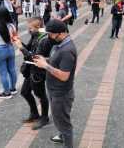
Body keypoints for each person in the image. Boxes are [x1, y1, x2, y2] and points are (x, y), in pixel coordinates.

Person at [33, 19, 77, 148]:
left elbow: (64, 76)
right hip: (54, 90)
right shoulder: (60, 44)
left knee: (63, 122)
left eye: (51, 34)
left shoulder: (67, 50)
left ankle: (68, 144)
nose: (49, 37)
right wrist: (45, 60)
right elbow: (55, 60)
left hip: (61, 93)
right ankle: (62, 136)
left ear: (60, 33)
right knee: (60, 118)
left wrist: (46, 66)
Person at [13, 17, 53, 130]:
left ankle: (44, 118)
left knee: (40, 95)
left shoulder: (44, 39)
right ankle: (35, 114)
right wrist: (20, 42)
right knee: (25, 92)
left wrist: (21, 48)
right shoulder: (36, 35)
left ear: (38, 27)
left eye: (30, 28)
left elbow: (35, 58)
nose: (28, 30)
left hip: (38, 72)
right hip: (31, 69)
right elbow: (29, 49)